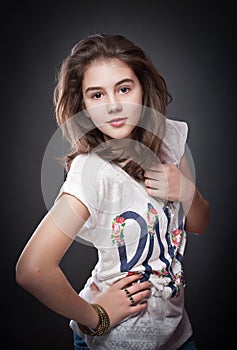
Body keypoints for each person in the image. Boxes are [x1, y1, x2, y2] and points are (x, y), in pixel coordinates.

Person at [16, 33, 210, 350]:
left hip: (177, 335)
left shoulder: (170, 138)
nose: (114, 106)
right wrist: (97, 317)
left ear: (143, 87)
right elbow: (32, 269)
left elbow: (200, 223)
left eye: (123, 88)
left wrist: (186, 190)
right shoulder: (92, 171)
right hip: (118, 341)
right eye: (97, 95)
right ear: (83, 106)